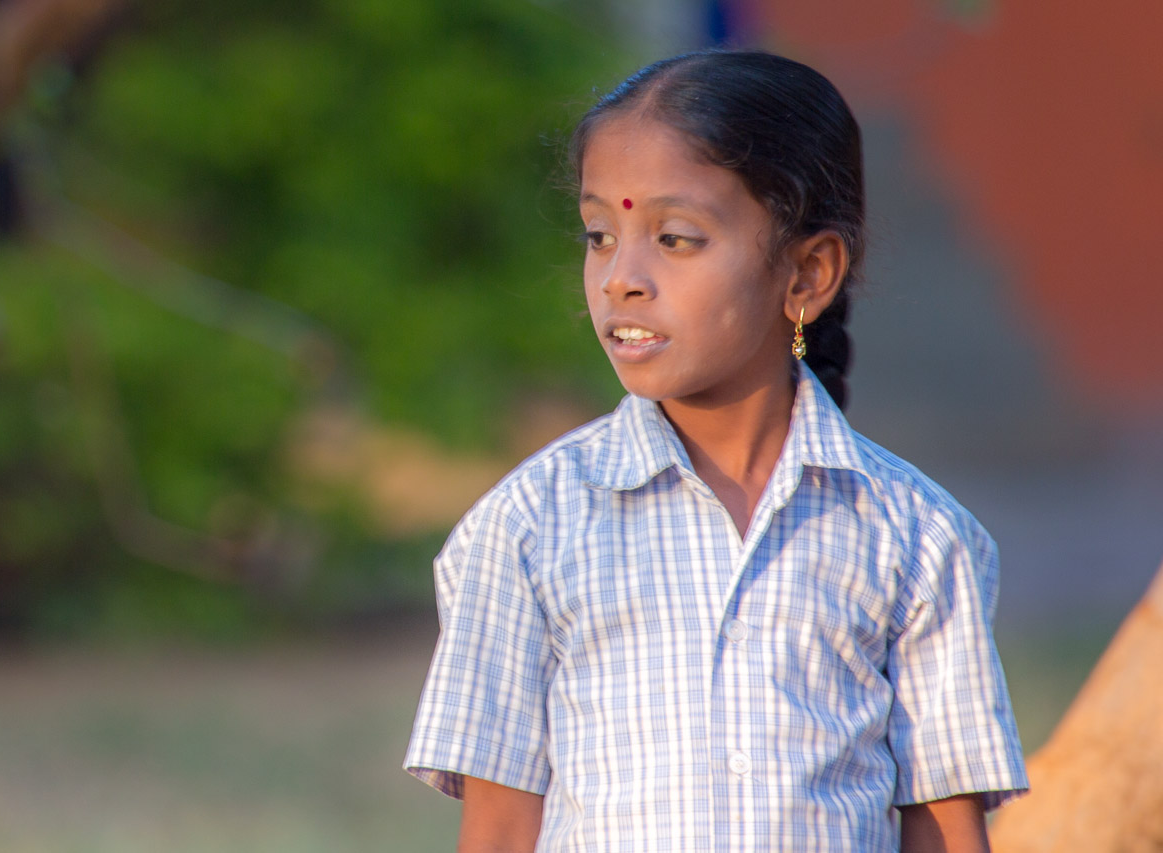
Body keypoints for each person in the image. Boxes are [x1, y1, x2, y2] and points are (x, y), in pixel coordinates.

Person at [403, 49, 1028, 851]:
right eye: (600, 235)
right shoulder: (527, 529)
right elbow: (497, 831)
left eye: (674, 238)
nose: (621, 278)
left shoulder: (915, 537)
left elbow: (943, 828)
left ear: (807, 274)